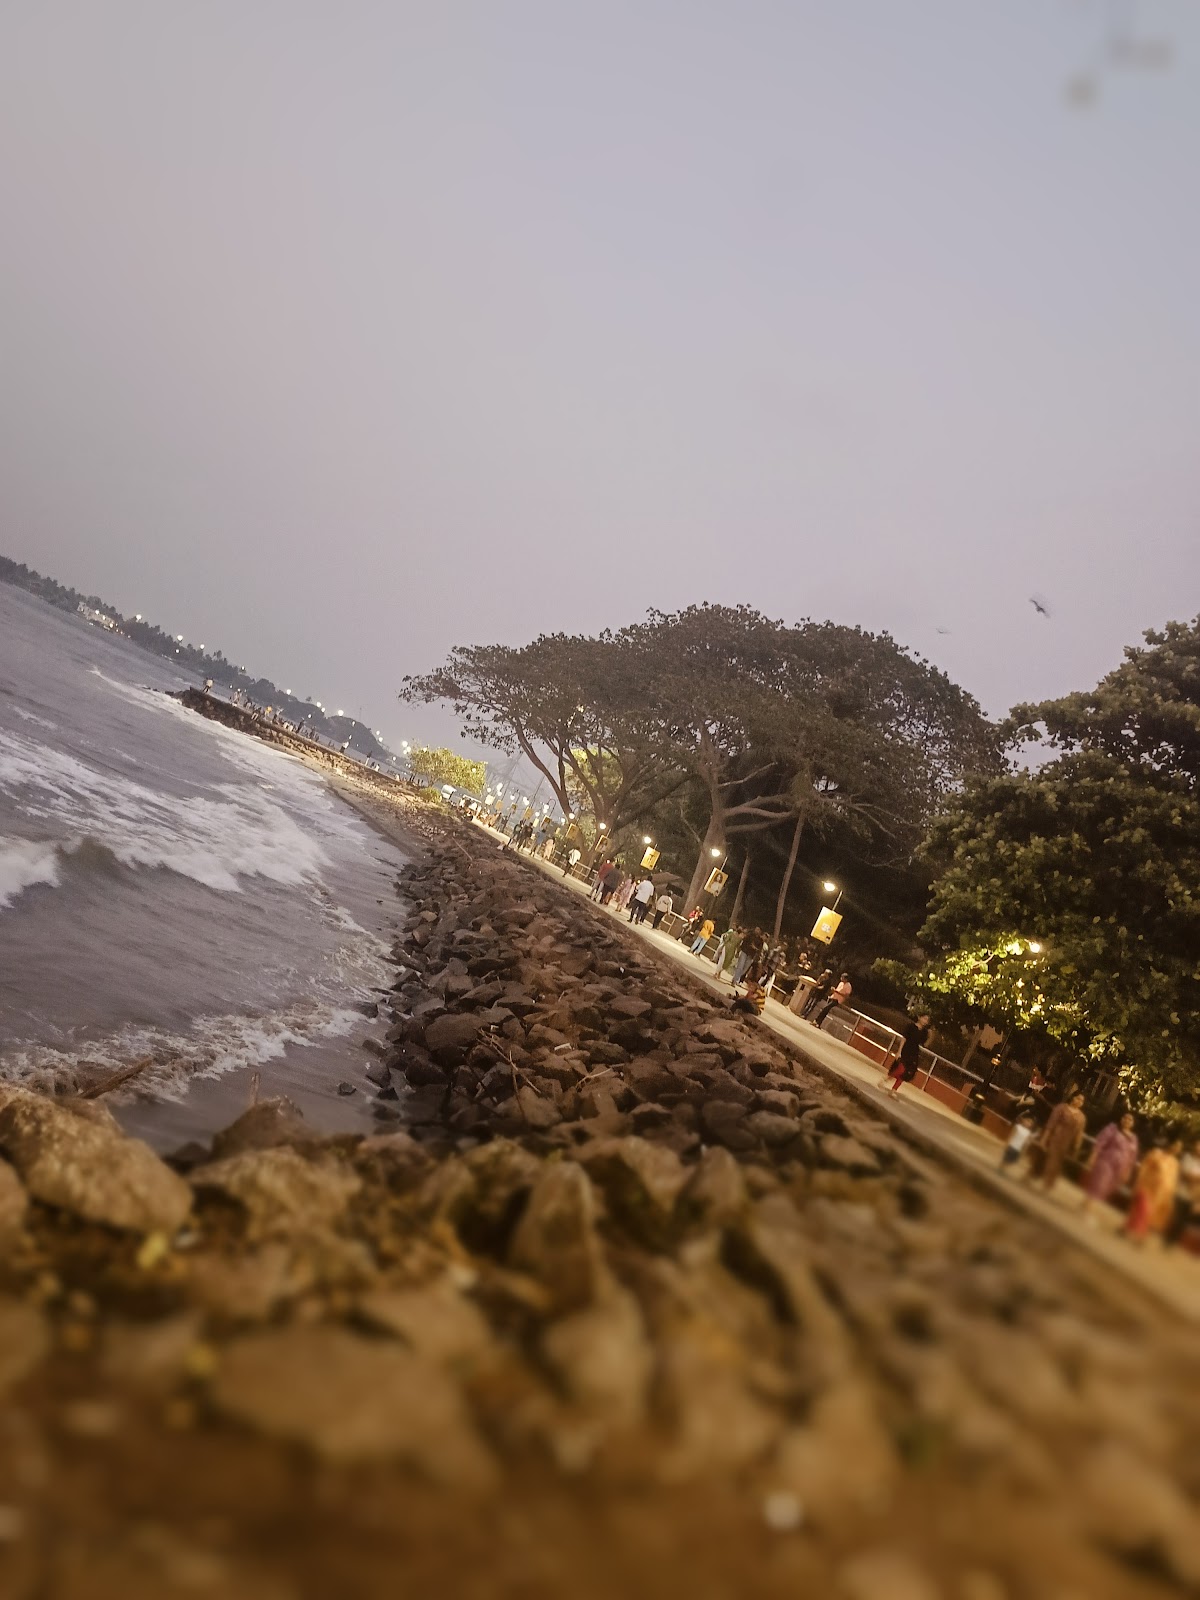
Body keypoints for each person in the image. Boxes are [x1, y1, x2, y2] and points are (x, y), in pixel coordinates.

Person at [1125, 1139, 1184, 1243]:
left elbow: (1172, 1179)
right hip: (1147, 1184)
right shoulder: (1156, 1153)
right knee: (1142, 1208)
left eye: (1179, 1148)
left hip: (1160, 1191)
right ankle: (1136, 1233)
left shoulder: (1174, 1163)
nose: (1176, 1149)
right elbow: (1144, 1167)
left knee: (1149, 1212)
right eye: (1175, 1145)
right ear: (1170, 1144)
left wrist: (1169, 1193)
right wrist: (1139, 1179)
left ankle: (1131, 1231)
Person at [1081, 1112, 1140, 1215]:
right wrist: (1093, 1156)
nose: (1127, 1121)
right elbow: (1100, 1143)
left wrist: (1128, 1172)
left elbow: (1132, 1158)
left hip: (1120, 1168)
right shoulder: (1112, 1129)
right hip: (1106, 1161)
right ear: (1121, 1119)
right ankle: (1089, 1208)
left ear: (1133, 1123)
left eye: (1130, 1119)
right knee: (1100, 1182)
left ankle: (1087, 1204)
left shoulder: (1133, 1139)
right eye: (1125, 1118)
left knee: (1107, 1187)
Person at [1034, 1091, 1087, 1193]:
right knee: (1048, 1160)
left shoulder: (1081, 1117)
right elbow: (1051, 1124)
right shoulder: (1062, 1108)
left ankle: (1047, 1186)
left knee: (1057, 1165)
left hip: (1066, 1143)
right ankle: (1042, 1183)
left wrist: (1076, 1146)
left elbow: (1079, 1133)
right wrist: (1044, 1139)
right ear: (1073, 1097)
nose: (1079, 1102)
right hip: (1054, 1138)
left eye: (1082, 1101)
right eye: (1078, 1098)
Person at [880, 1013, 931, 1094]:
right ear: (919, 1017)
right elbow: (904, 1038)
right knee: (901, 1069)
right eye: (924, 1018)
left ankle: (894, 1090)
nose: (925, 1021)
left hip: (914, 1053)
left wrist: (930, 1037)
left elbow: (924, 1044)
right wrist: (899, 1051)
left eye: (927, 1020)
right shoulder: (911, 1026)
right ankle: (886, 1079)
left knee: (906, 1073)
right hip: (905, 1050)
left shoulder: (924, 1032)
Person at [1165, 1138, 1200, 1250]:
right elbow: (1183, 1173)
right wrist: (1195, 1178)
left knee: (1182, 1221)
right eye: (1198, 1146)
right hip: (1181, 1192)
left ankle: (1172, 1243)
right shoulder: (1187, 1158)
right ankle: (1166, 1239)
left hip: (1192, 1196)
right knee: (1175, 1216)